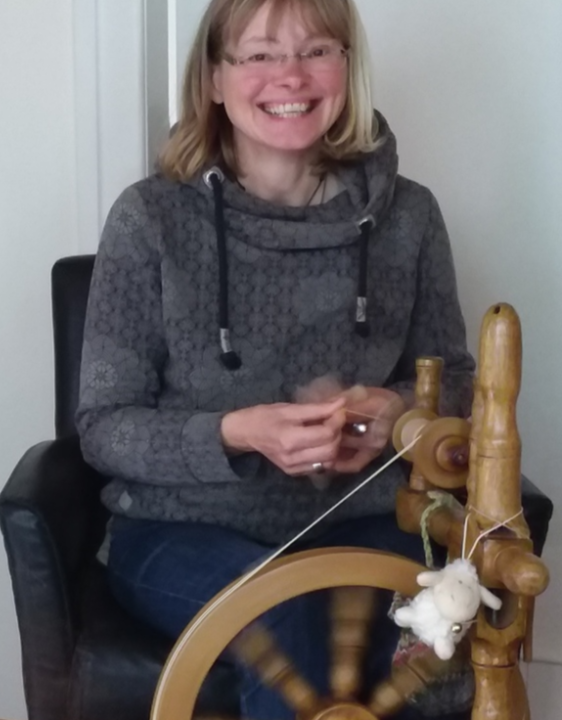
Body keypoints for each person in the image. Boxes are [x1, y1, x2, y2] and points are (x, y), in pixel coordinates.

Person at [75, 0, 475, 717]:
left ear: (347, 68)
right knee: (288, 615)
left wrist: (398, 413)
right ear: (214, 80)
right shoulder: (149, 218)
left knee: (429, 638)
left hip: (364, 519)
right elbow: (104, 427)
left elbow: (459, 385)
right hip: (180, 529)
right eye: (259, 54)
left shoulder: (410, 217)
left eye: (316, 50)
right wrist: (239, 433)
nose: (290, 75)